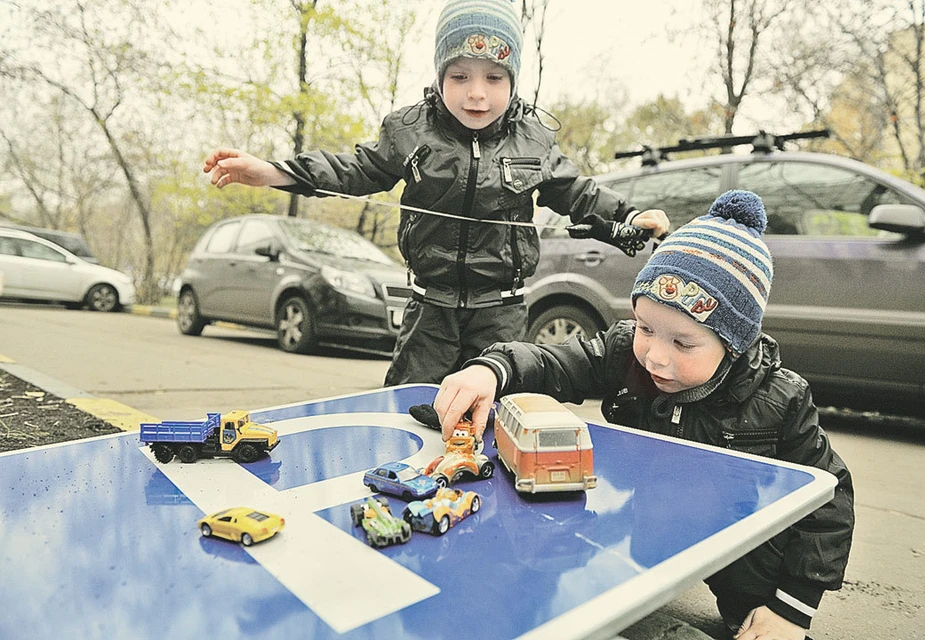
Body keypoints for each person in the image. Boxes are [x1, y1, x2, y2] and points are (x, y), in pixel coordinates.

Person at [433, 190, 855, 640]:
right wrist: (492, 368)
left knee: (754, 606)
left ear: (734, 342)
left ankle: (756, 607)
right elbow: (556, 363)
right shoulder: (626, 355)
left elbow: (831, 498)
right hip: (647, 524)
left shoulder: (781, 399)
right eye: (646, 328)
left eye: (683, 343)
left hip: (738, 546)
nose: (654, 356)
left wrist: (790, 608)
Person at [201, 0, 669, 386]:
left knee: (495, 417)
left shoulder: (534, 139)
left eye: (494, 78)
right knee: (411, 410)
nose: (476, 94)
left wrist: (632, 216)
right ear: (440, 75)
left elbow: (578, 194)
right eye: (460, 76)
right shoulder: (409, 130)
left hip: (501, 314)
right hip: (429, 312)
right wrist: (273, 172)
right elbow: (355, 170)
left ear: (513, 80)